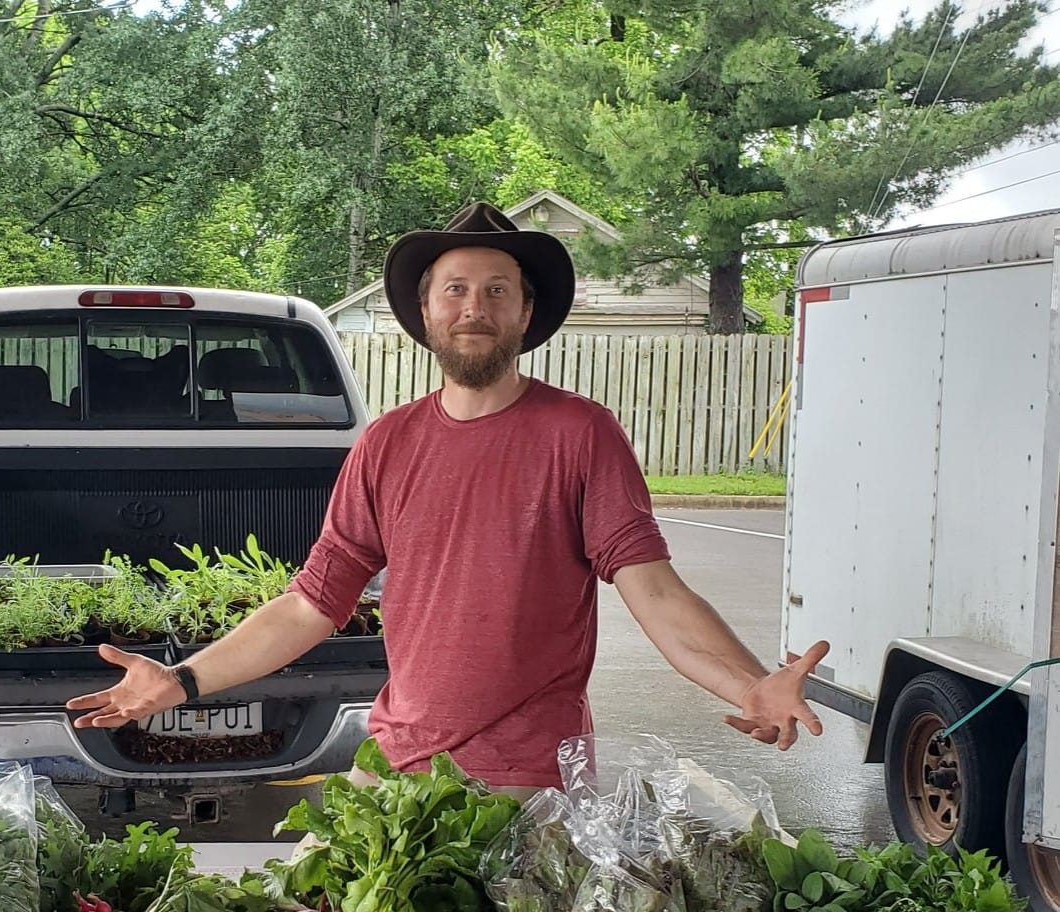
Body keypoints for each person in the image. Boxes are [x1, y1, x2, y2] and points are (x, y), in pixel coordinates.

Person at [67, 201, 828, 792]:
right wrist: (184, 679)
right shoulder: (387, 443)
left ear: (526, 315)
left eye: (498, 291)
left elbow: (655, 590)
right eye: (455, 290)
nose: (475, 307)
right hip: (396, 762)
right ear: (425, 314)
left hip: (529, 778)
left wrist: (749, 683)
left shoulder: (581, 434)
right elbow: (311, 603)